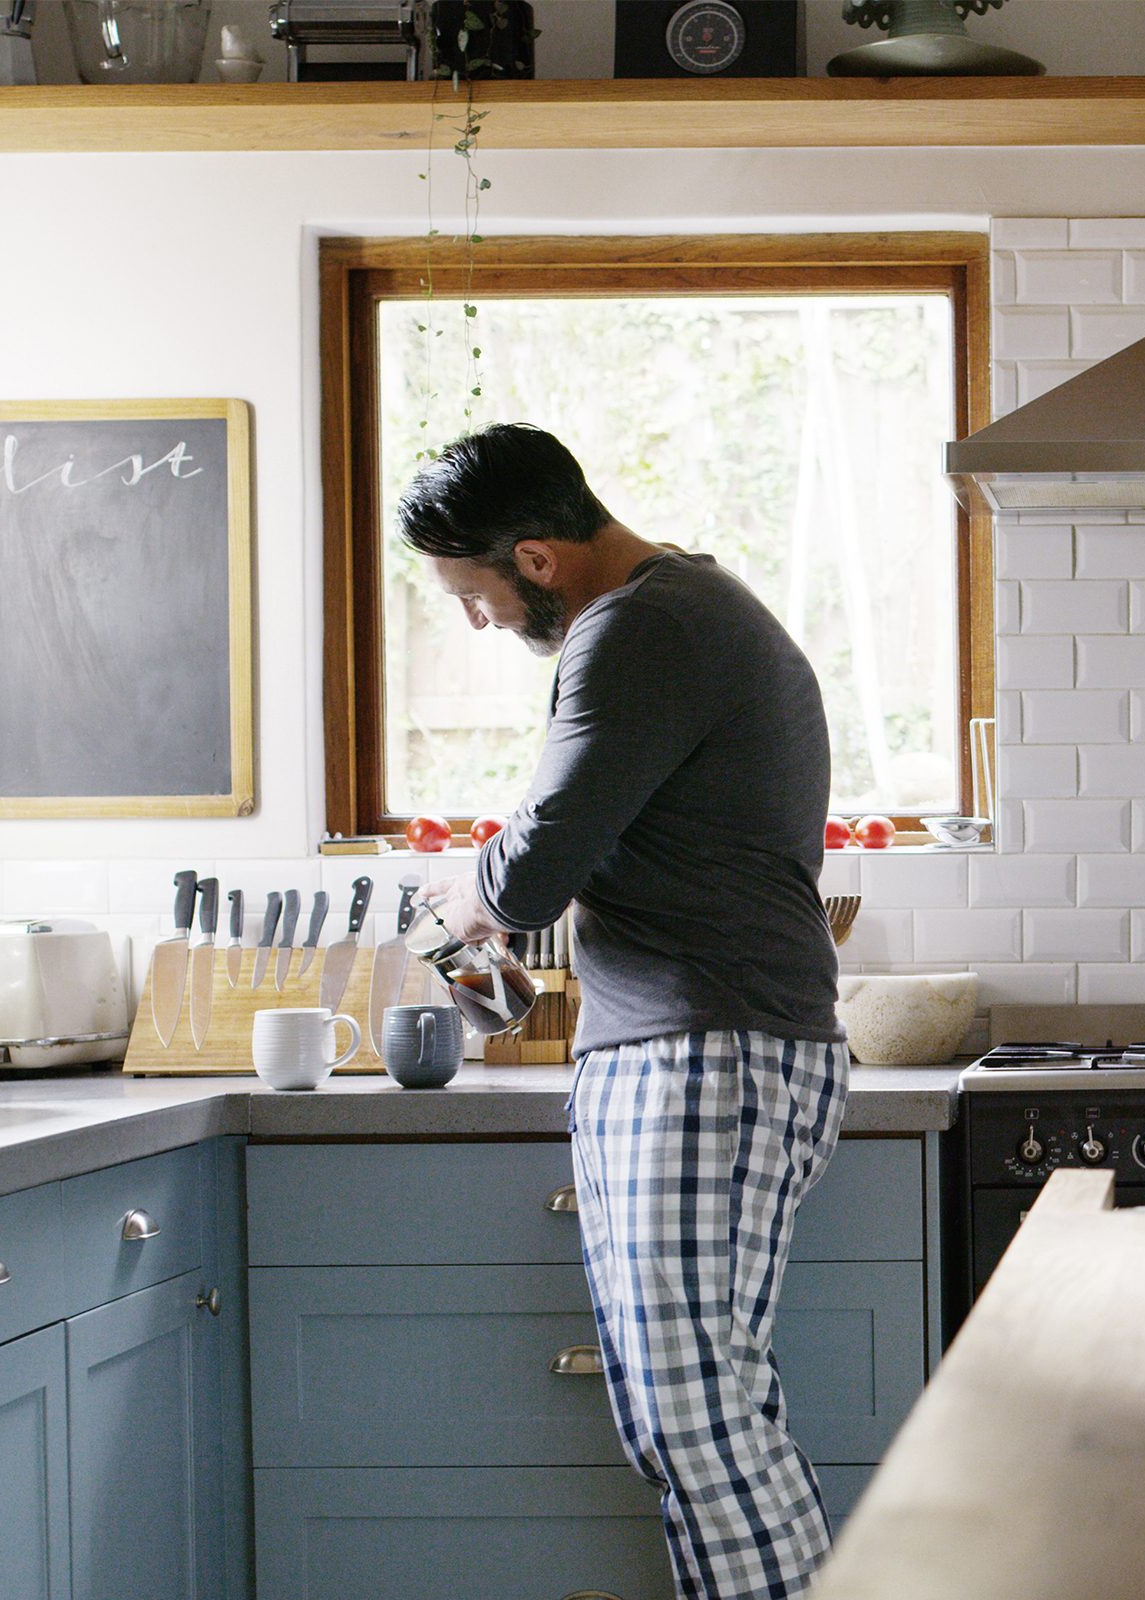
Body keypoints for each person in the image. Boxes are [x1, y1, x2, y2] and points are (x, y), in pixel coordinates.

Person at [404, 424, 849, 1599]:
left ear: (538, 558)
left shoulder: (639, 627)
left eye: (474, 593)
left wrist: (469, 890)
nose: (477, 620)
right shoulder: (679, 612)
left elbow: (539, 863)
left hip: (709, 1048)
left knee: (692, 1415)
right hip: (692, 1043)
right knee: (693, 1409)